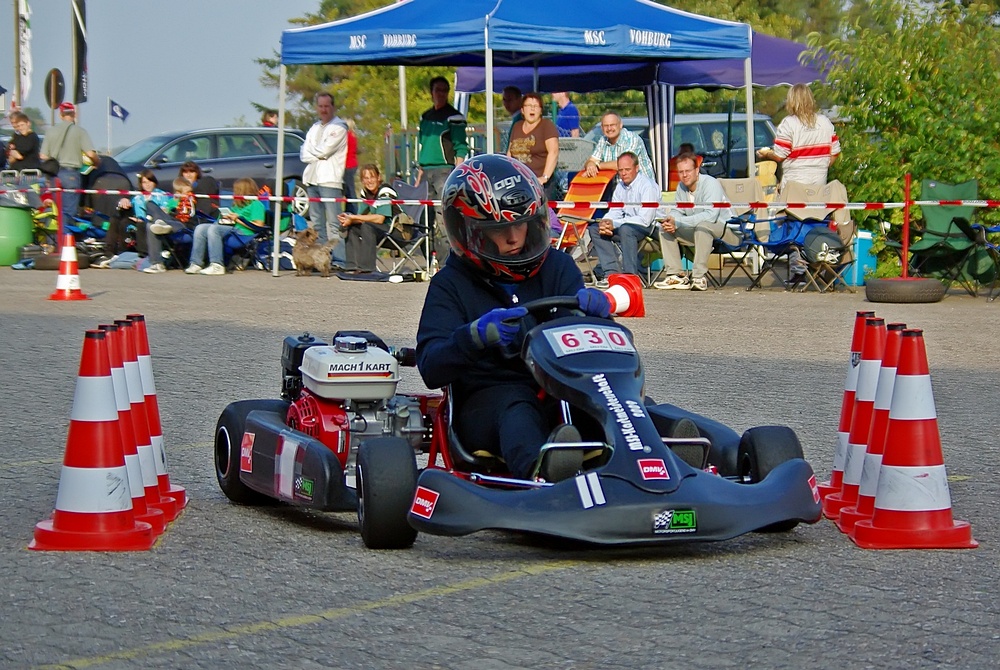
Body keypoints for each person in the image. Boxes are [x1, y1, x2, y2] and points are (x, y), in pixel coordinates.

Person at [416, 154, 611, 482]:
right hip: (488, 400)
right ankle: (545, 475)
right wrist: (474, 337)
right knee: (516, 408)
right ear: (470, 231)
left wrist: (594, 319)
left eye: (521, 223)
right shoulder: (451, 285)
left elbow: (580, 349)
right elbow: (431, 367)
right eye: (501, 229)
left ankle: (684, 451)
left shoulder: (558, 267)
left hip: (558, 393)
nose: (514, 238)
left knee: (614, 403)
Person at [757, 83, 841, 285]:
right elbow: (834, 153)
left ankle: (797, 271)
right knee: (812, 223)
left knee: (791, 225)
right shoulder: (825, 122)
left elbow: (779, 155)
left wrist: (765, 153)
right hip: (818, 184)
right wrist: (819, 166)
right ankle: (818, 263)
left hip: (794, 184)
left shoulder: (789, 124)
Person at [654, 151, 735, 292]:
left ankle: (699, 276)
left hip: (727, 229)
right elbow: (677, 211)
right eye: (681, 172)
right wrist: (671, 220)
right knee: (664, 228)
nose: (684, 175)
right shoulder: (681, 187)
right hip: (698, 229)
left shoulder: (711, 183)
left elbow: (711, 216)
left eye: (688, 171)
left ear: (697, 170)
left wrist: (678, 222)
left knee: (703, 226)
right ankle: (676, 274)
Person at [416, 76, 469, 263]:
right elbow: (422, 145)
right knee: (423, 218)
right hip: (426, 171)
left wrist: (458, 171)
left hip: (444, 171)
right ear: (431, 92)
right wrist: (420, 174)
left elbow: (460, 146)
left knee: (443, 217)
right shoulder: (425, 116)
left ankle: (449, 262)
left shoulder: (454, 117)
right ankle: (429, 261)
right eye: (437, 90)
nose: (441, 94)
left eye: (444, 90)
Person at [589, 152, 661, 286]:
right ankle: (611, 274)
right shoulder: (620, 187)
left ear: (637, 168)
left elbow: (645, 220)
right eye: (620, 170)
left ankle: (630, 277)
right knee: (595, 228)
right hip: (628, 226)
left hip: (652, 228)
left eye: (627, 169)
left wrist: (614, 224)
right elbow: (615, 211)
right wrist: (606, 222)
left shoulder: (647, 186)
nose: (623, 173)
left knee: (626, 229)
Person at [300, 91, 349, 264]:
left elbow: (325, 151)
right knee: (317, 225)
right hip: (312, 180)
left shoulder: (340, 127)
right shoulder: (314, 128)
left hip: (330, 180)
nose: (323, 109)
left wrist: (314, 150)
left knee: (334, 225)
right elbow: (303, 154)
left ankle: (340, 261)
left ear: (333, 107)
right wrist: (316, 152)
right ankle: (320, 261)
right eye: (320, 106)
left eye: (327, 106)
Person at [182, 177, 266, 276]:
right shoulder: (237, 205)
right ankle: (196, 263)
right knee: (201, 228)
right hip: (231, 228)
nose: (234, 192)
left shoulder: (256, 204)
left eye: (236, 190)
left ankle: (217, 265)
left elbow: (258, 225)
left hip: (244, 233)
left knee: (214, 229)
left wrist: (238, 219)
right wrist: (225, 218)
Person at [39, 102, 100, 229]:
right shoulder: (80, 132)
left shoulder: (51, 131)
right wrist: (97, 163)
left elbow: (43, 156)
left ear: (60, 115)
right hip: (71, 174)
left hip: (54, 175)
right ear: (74, 115)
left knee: (57, 210)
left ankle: (56, 241)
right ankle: (66, 241)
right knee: (69, 211)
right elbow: (90, 153)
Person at [98, 169, 171, 268]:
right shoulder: (137, 197)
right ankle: (110, 253)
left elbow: (164, 212)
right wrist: (123, 201)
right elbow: (128, 206)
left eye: (150, 181)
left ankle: (142, 255)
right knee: (117, 220)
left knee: (138, 224)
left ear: (154, 182)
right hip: (137, 220)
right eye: (145, 182)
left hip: (153, 222)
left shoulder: (162, 195)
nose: (148, 185)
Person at [337, 164, 396, 274]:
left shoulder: (385, 191)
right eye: (366, 178)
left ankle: (367, 268)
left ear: (378, 178)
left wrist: (354, 217)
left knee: (367, 226)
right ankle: (352, 266)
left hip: (396, 230)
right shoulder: (365, 193)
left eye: (372, 177)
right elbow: (361, 216)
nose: (369, 181)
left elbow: (380, 219)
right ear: (362, 181)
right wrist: (349, 220)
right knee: (352, 227)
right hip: (379, 230)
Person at [506, 92, 560, 199]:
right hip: (519, 182)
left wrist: (544, 177)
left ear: (540, 110)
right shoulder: (516, 127)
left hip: (540, 183)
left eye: (536, 106)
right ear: (522, 110)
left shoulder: (546, 125)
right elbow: (509, 153)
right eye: (529, 106)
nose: (532, 109)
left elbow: (553, 152)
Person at [142, 177, 198, 274]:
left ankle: (157, 263)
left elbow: (189, 216)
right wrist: (166, 210)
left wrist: (179, 205)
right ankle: (157, 264)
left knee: (151, 225)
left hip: (182, 225)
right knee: (150, 205)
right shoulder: (172, 200)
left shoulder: (191, 199)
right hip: (168, 221)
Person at [582, 111, 655, 181]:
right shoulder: (603, 140)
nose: (609, 128)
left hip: (641, 187)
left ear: (620, 125)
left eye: (612, 125)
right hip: (618, 187)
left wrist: (597, 166)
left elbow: (624, 165)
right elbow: (592, 160)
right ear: (602, 128)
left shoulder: (631, 139)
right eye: (606, 126)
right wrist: (590, 165)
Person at [498, 85, 523, 154]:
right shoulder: (516, 118)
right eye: (504, 100)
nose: (507, 103)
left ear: (519, 100)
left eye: (510, 100)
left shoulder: (521, 119)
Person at [343, 119, 359, 214]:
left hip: (347, 165)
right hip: (352, 164)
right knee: (349, 188)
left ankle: (353, 209)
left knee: (349, 189)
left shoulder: (346, 137)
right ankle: (350, 209)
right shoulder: (353, 136)